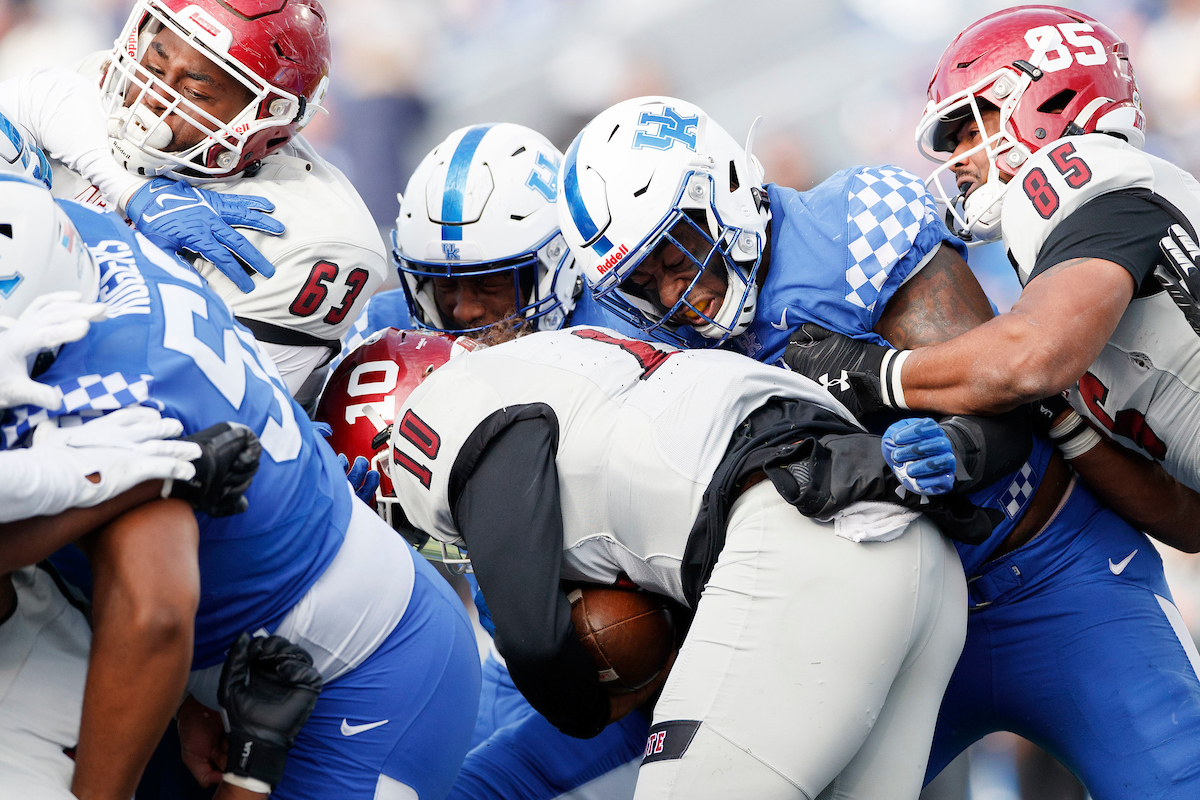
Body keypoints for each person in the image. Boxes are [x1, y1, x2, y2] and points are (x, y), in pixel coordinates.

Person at [558, 93, 1200, 795]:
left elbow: (1004, 406)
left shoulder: (854, 224)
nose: (681, 296)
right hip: (874, 626)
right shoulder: (652, 346)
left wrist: (951, 445)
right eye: (644, 283)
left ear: (728, 188)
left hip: (1047, 568)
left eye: (679, 253)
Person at [380, 324, 1041, 799]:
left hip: (804, 540)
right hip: (915, 558)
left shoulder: (444, 408)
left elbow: (533, 638)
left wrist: (596, 701)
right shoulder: (575, 358)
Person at [0, 175, 479, 800]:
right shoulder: (58, 230)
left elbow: (155, 615)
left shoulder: (124, 405)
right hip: (210, 651)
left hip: (364, 672)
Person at [322, 122, 652, 800]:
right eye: (445, 289)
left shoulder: (629, 330)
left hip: (620, 631)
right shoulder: (392, 341)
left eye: (492, 286)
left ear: (556, 267)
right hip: (495, 636)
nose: (464, 314)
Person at [782, 6, 1200, 512]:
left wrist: (878, 373)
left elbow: (1032, 356)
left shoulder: (1091, 179)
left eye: (970, 129)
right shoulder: (1070, 269)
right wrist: (1059, 419)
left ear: (1047, 99)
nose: (957, 160)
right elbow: (1185, 519)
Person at [4, 0, 389, 398]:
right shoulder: (113, 86)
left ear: (266, 119)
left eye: (193, 91)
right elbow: (36, 95)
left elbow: (204, 408)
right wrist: (134, 191)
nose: (152, 95)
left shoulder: (317, 238)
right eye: (154, 67)